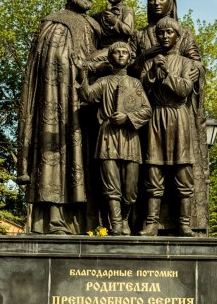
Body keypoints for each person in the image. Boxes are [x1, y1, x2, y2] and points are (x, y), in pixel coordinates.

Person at [16, 0, 100, 234]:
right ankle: (55, 218)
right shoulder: (54, 23)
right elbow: (48, 65)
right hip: (58, 101)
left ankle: (89, 221)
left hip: (89, 105)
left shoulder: (96, 25)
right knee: (57, 154)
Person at [139, 17, 205, 236]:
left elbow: (184, 89)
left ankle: (184, 223)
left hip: (179, 118)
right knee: (153, 169)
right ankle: (151, 223)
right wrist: (152, 72)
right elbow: (141, 90)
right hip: (156, 118)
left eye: (169, 33)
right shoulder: (151, 62)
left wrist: (166, 74)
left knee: (182, 170)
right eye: (161, 33)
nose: (165, 36)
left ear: (177, 37)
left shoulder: (187, 63)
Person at [80, 41, 152, 235]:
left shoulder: (135, 84)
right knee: (111, 186)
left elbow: (147, 110)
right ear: (110, 57)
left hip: (130, 138)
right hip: (108, 137)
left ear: (129, 58)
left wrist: (128, 117)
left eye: (124, 52)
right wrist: (83, 74)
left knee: (130, 190)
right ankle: (117, 224)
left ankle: (125, 219)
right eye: (117, 52)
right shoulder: (104, 82)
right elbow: (87, 95)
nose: (121, 55)